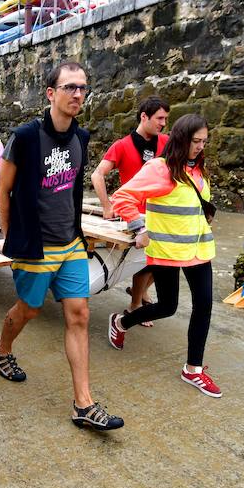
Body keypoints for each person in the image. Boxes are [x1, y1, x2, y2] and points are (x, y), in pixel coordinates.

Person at [0, 61, 124, 431]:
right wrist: (11, 238)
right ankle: (2, 349)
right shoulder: (25, 137)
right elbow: (4, 191)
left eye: (82, 87)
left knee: (79, 314)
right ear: (51, 93)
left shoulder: (81, 138)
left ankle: (83, 404)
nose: (78, 94)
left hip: (70, 243)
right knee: (29, 310)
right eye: (69, 87)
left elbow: (69, 191)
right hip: (35, 246)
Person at [109, 114, 221, 397]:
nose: (200, 147)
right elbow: (122, 197)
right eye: (195, 141)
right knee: (167, 307)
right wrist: (139, 227)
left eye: (204, 142)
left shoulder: (198, 169)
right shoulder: (160, 169)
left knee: (204, 305)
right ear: (181, 139)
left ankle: (193, 369)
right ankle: (121, 322)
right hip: (167, 250)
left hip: (199, 250)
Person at [92, 96, 170, 325]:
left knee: (165, 260)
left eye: (166, 118)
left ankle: (141, 292)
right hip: (134, 215)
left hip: (161, 213)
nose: (163, 123)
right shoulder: (122, 145)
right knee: (144, 259)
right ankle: (135, 305)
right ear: (144, 116)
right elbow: (97, 175)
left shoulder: (166, 142)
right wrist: (107, 206)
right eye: (159, 118)